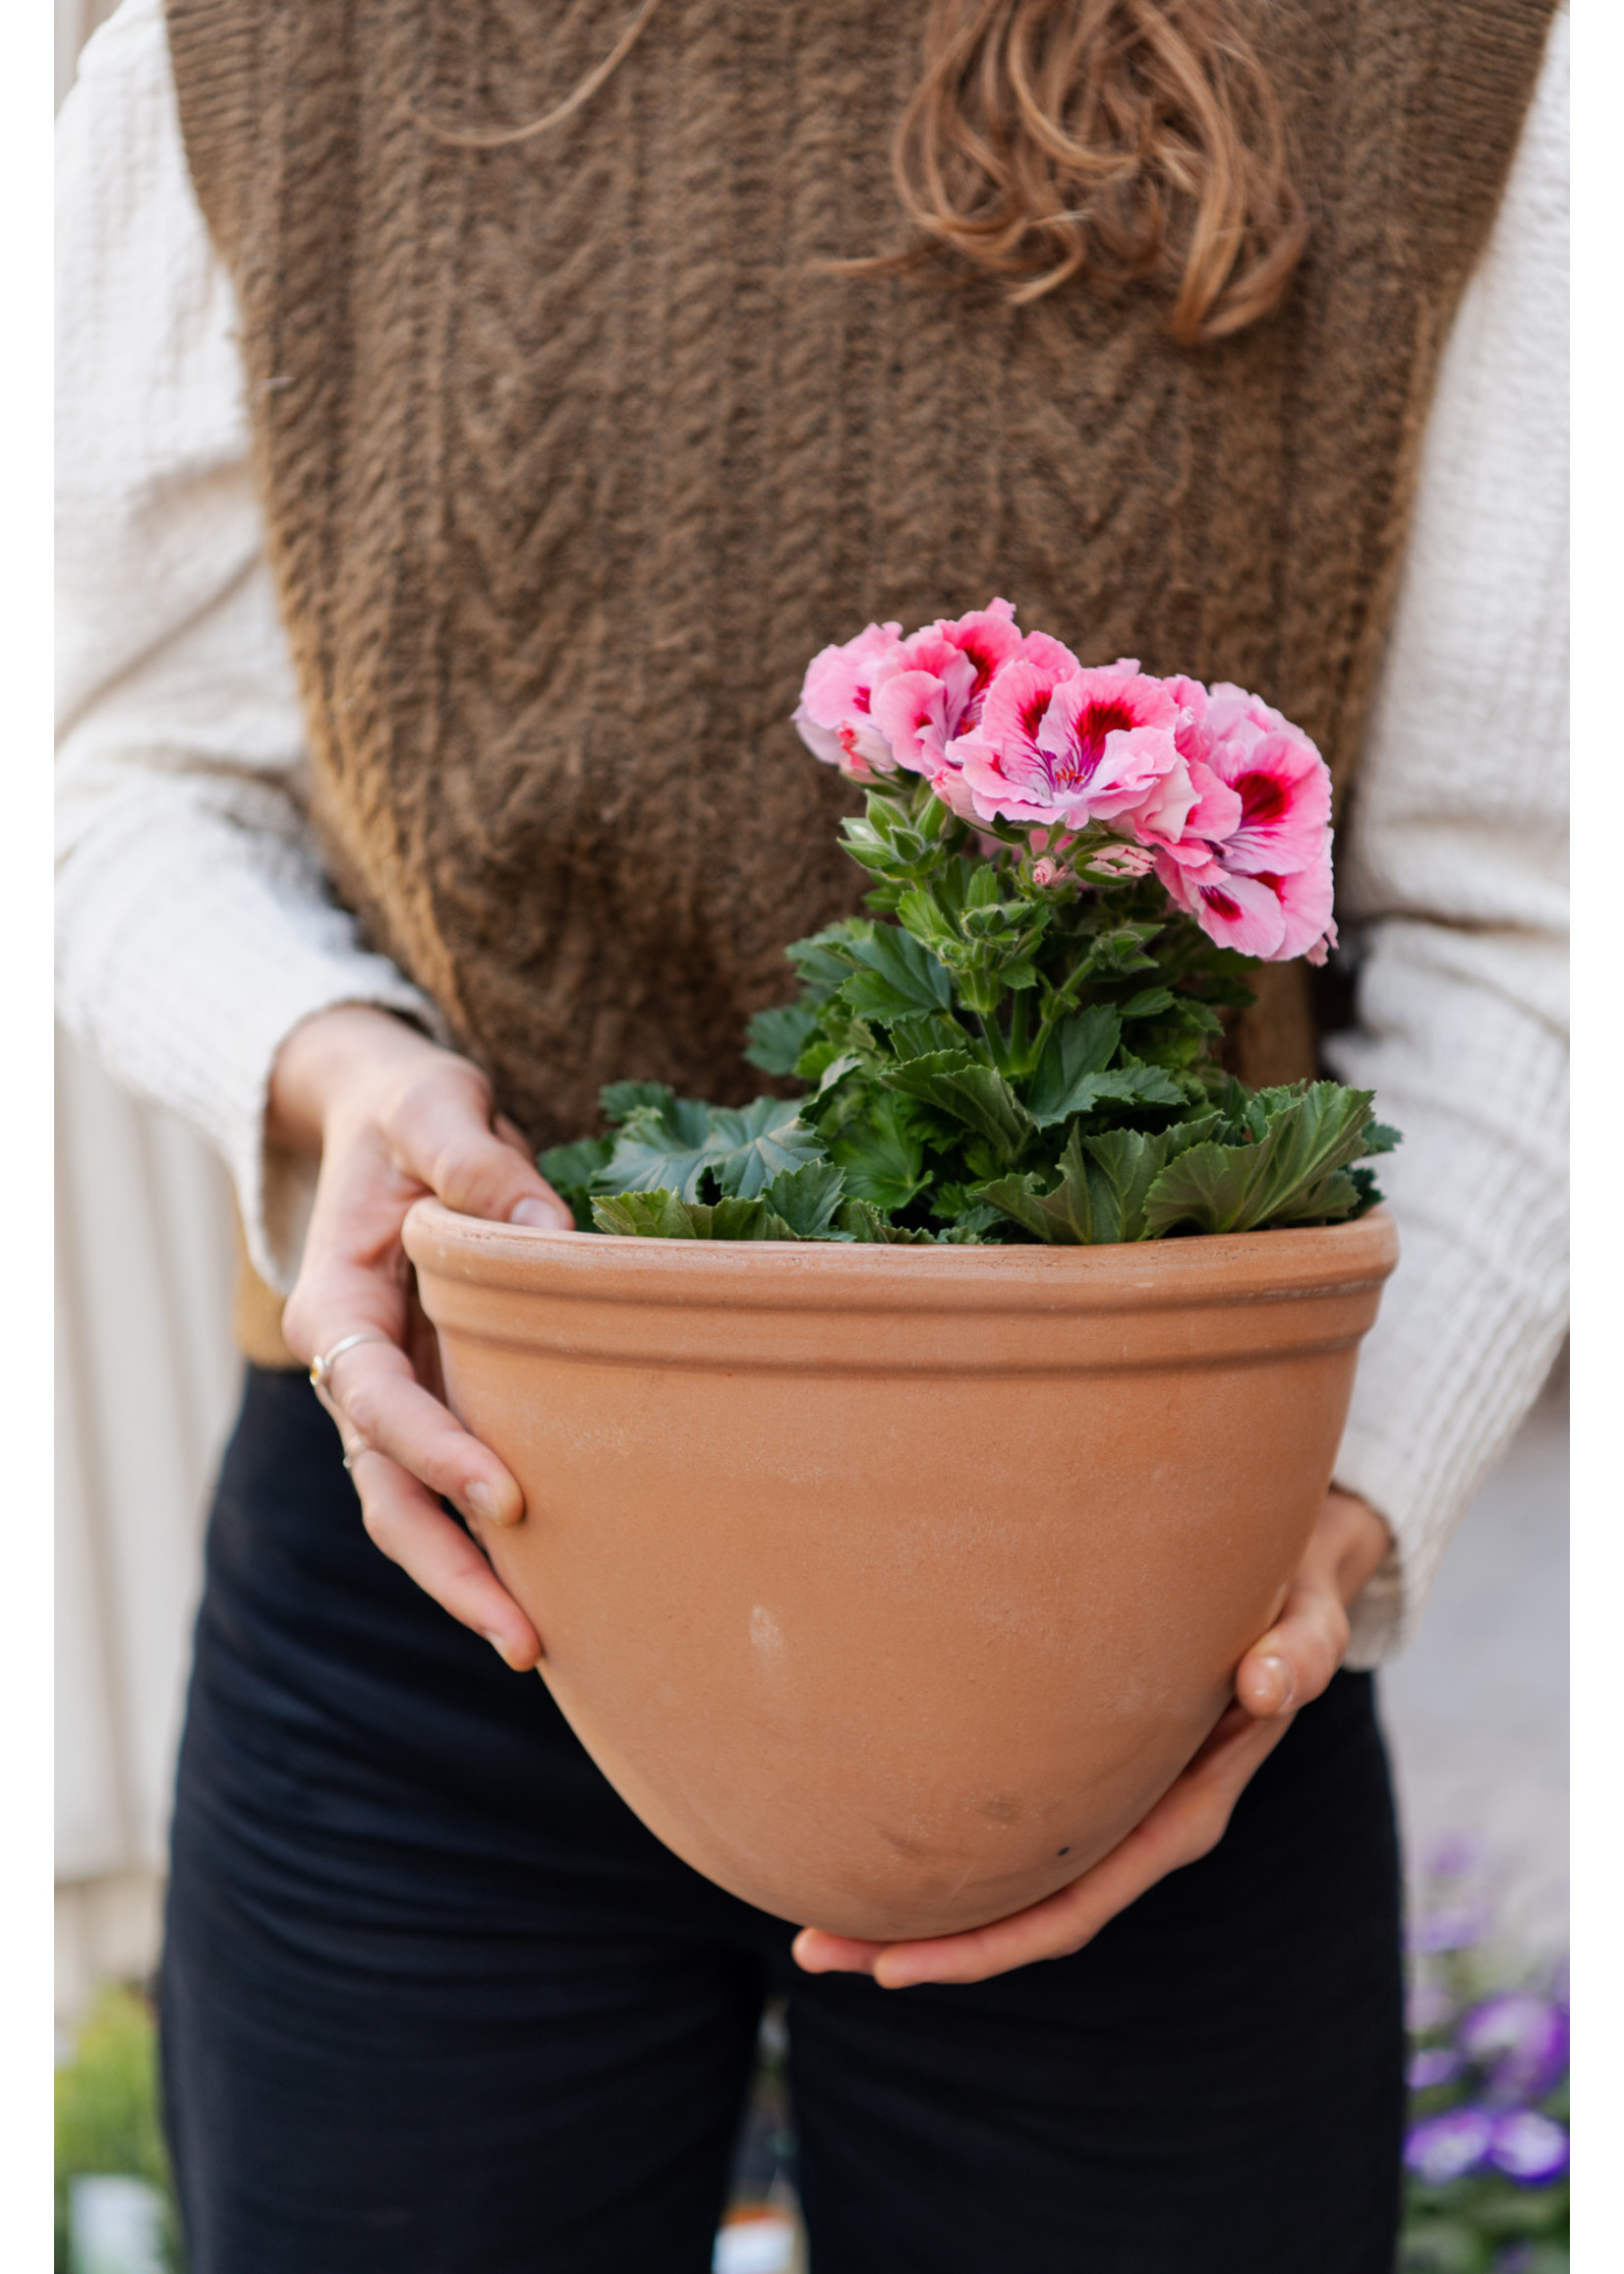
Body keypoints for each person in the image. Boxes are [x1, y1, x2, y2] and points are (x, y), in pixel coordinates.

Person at [56, 1, 1568, 2266]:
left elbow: (1544, 903)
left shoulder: (1426, 54)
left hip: (1141, 1596)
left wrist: (1333, 1534)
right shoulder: (262, 40)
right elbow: (106, 760)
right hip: (446, 1561)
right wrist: (340, 1066)